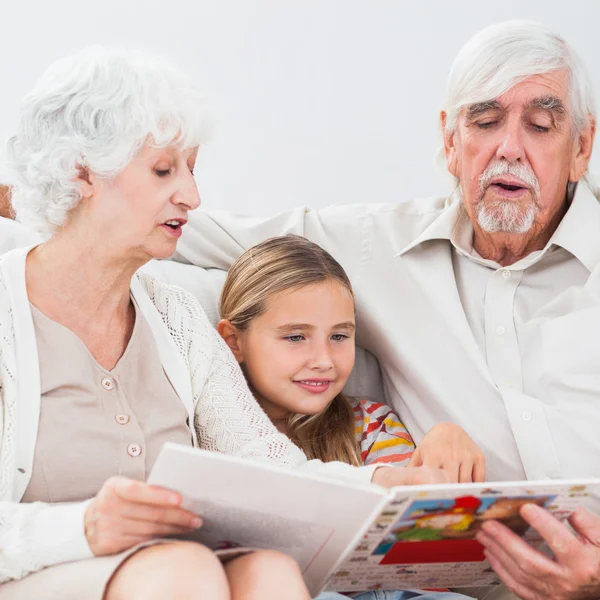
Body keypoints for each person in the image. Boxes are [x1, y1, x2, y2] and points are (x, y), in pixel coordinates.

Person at [169, 19, 600, 599]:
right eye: (485, 121)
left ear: (582, 147)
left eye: (541, 125)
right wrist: (48, 194)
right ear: (450, 142)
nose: (509, 148)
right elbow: (176, 227)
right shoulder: (376, 246)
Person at [0, 47, 448, 600]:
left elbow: (266, 466)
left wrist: (380, 483)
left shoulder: (176, 316)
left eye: (191, 169)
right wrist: (84, 526)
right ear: (82, 171)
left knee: (269, 570)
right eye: (164, 169)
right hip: (38, 574)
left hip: (176, 569)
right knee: (182, 573)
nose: (192, 195)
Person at [217, 234, 479, 600]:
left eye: (339, 336)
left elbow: (423, 552)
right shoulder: (212, 436)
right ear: (233, 341)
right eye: (295, 338)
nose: (324, 360)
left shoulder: (371, 425)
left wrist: (446, 437)